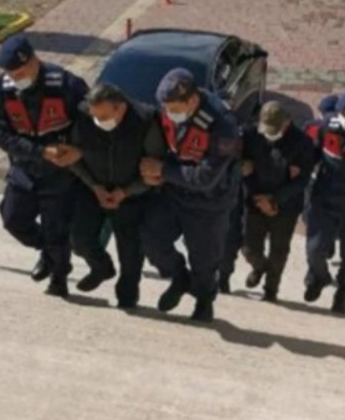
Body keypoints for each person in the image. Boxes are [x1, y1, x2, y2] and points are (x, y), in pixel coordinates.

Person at [48, 83, 165, 309]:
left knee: (130, 252)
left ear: (120, 109)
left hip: (132, 193)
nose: (98, 121)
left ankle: (127, 296)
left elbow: (155, 168)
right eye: (94, 116)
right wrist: (94, 186)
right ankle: (101, 267)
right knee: (79, 238)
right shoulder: (83, 116)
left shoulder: (145, 121)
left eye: (103, 116)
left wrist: (126, 191)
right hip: (93, 188)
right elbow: (73, 157)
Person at [0, 34, 89, 297]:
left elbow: (91, 125)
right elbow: (0, 133)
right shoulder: (3, 88)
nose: (16, 77)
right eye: (11, 73)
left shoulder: (67, 84)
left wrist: (78, 151)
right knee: (12, 219)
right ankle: (47, 251)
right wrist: (38, 151)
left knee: (57, 227)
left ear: (35, 61)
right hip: (25, 169)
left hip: (60, 173)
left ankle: (59, 278)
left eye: (21, 71)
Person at [139, 68, 241, 322]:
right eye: (167, 107)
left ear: (193, 100)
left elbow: (206, 178)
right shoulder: (167, 112)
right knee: (151, 238)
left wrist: (163, 170)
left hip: (209, 203)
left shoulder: (222, 125)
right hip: (174, 193)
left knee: (205, 261)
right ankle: (179, 277)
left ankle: (204, 301)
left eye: (175, 107)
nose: (170, 113)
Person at [240, 101, 316, 302]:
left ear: (287, 123)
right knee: (248, 246)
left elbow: (302, 179)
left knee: (279, 250)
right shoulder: (251, 135)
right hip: (255, 199)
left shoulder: (302, 142)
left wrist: (274, 200)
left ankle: (271, 289)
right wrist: (258, 196)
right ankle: (259, 266)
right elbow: (244, 166)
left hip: (285, 204)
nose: (270, 133)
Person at [303, 88, 345, 313]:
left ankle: (342, 290)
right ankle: (320, 277)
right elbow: (309, 156)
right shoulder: (326, 128)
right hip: (324, 197)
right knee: (314, 249)